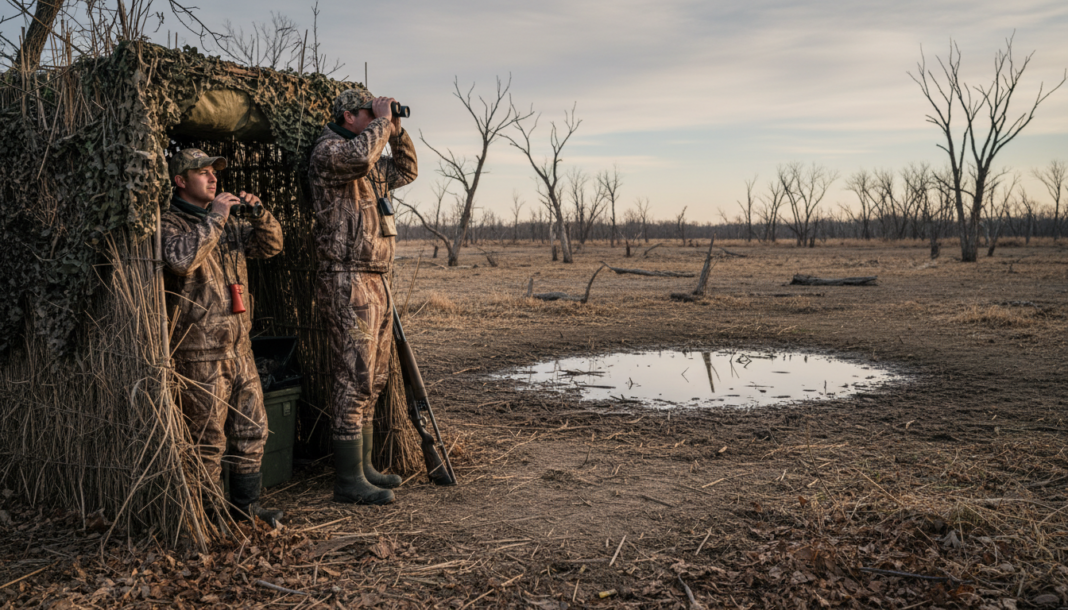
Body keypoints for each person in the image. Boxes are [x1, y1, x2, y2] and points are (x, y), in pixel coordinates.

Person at [161, 148, 285, 526]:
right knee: (208, 441)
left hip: (239, 348)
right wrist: (215, 217)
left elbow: (270, 246)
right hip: (199, 353)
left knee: (252, 429)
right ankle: (209, 517)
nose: (213, 178)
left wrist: (260, 213)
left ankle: (245, 509)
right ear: (181, 181)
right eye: (202, 172)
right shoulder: (170, 223)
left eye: (215, 171)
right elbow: (181, 261)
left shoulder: (228, 223)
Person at [308, 88, 418, 505]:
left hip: (376, 277)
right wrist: (380, 123)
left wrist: (397, 130)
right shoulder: (330, 151)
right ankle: (347, 478)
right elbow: (357, 157)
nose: (377, 118)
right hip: (346, 277)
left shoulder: (370, 155)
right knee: (352, 376)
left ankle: (365, 466)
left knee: (374, 377)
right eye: (367, 113)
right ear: (347, 115)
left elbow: (406, 171)